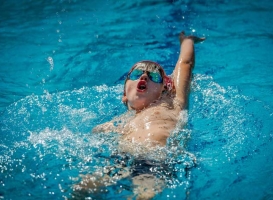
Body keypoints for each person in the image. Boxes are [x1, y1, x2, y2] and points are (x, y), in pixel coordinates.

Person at [72, 32, 205, 199]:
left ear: (165, 89)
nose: (144, 76)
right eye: (136, 74)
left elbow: (185, 63)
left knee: (142, 196)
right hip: (119, 159)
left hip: (154, 158)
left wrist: (187, 41)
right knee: (81, 188)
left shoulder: (172, 103)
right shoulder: (121, 121)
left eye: (154, 76)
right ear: (124, 95)